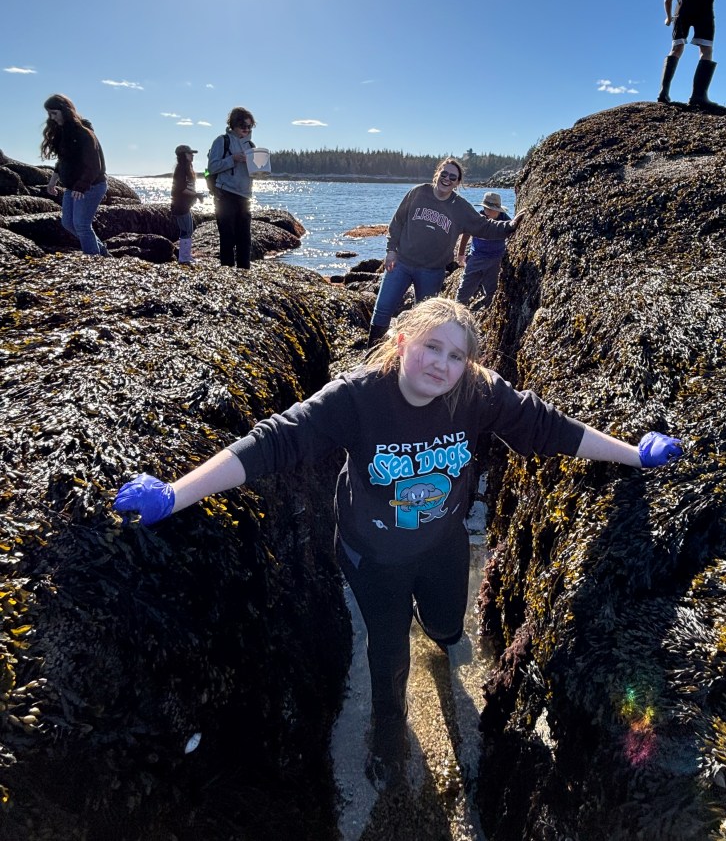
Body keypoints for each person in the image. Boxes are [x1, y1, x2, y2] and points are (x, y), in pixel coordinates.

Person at [113, 297, 683, 790]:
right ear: (403, 339)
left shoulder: (477, 394)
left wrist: (635, 454)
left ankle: (443, 639)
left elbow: (550, 427)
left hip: (442, 545)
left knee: (447, 627)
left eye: (457, 356)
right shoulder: (356, 398)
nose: (443, 364)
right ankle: (389, 731)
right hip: (372, 558)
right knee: (387, 654)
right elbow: (271, 443)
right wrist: (175, 493)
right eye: (433, 347)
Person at [366, 158, 524, 348]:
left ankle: (414, 356)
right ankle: (371, 354)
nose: (447, 179)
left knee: (424, 319)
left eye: (453, 177)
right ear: (437, 174)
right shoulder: (418, 193)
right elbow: (397, 222)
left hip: (432, 272)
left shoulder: (460, 207)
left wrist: (510, 225)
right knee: (382, 310)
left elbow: (484, 226)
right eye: (444, 174)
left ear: (458, 183)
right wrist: (391, 250)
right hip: (402, 264)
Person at [41, 94, 109, 257]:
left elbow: (94, 165)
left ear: (65, 110)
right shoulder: (63, 132)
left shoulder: (83, 133)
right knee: (68, 223)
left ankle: (94, 260)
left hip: (92, 186)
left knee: (81, 225)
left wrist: (82, 186)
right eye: (49, 114)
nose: (51, 118)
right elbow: (63, 161)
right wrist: (53, 181)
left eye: (54, 113)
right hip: (73, 187)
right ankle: (103, 254)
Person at [207, 107, 257, 269]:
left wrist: (260, 171)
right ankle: (227, 273)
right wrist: (232, 159)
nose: (246, 129)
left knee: (245, 239)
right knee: (227, 237)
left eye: (249, 126)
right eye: (242, 124)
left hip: (245, 196)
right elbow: (212, 167)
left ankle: (244, 273)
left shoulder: (251, 145)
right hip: (225, 194)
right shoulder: (222, 141)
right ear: (233, 124)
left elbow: (252, 172)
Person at [455, 191, 512, 310]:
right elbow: (466, 234)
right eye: (486, 209)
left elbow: (513, 235)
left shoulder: (506, 220)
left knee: (492, 290)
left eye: (492, 209)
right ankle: (457, 312)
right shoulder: (478, 218)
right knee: (464, 289)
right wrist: (461, 254)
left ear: (499, 210)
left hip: (495, 260)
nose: (488, 212)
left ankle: (486, 309)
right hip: (476, 257)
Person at [171, 144, 203, 265]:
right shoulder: (181, 169)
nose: (192, 155)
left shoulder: (185, 168)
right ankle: (184, 257)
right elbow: (180, 189)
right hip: (180, 205)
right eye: (190, 153)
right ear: (183, 155)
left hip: (184, 205)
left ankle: (186, 256)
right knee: (186, 231)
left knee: (187, 230)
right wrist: (195, 194)